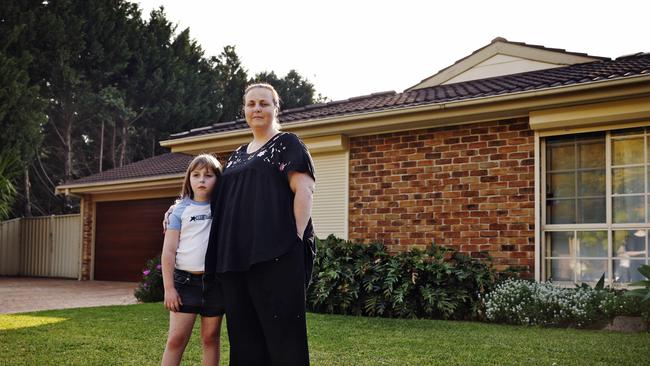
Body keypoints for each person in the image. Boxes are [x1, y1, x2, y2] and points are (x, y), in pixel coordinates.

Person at [205, 83, 316, 365]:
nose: (257, 109)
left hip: (275, 256)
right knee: (244, 343)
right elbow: (215, 198)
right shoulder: (237, 156)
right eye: (251, 103)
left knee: (283, 340)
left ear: (276, 109)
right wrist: (178, 209)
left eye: (264, 104)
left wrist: (295, 239)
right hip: (235, 261)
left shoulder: (287, 143)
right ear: (243, 109)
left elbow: (304, 190)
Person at [160, 154, 225, 366]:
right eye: (196, 175)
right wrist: (169, 288)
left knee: (210, 338)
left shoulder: (223, 209)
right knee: (176, 340)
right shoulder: (179, 211)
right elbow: (168, 251)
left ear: (218, 179)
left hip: (215, 284)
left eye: (208, 175)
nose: (201, 180)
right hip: (184, 284)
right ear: (188, 179)